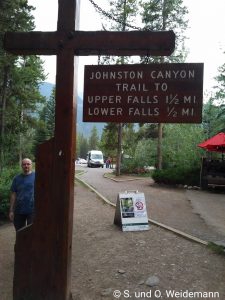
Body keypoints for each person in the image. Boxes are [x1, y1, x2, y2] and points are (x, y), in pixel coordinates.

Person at [9, 158, 35, 231]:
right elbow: (13, 194)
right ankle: (20, 243)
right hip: (19, 210)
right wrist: (11, 210)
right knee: (19, 231)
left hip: (33, 210)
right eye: (24, 164)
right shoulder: (16, 179)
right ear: (21, 166)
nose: (26, 166)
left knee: (32, 231)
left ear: (31, 165)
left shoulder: (37, 176)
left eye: (28, 164)